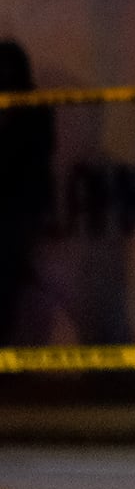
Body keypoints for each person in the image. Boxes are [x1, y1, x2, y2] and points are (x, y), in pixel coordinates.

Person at [0, 41, 56, 344]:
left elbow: (29, 157)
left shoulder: (32, 109)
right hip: (20, 208)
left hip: (18, 208)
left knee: (8, 282)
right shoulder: (31, 107)